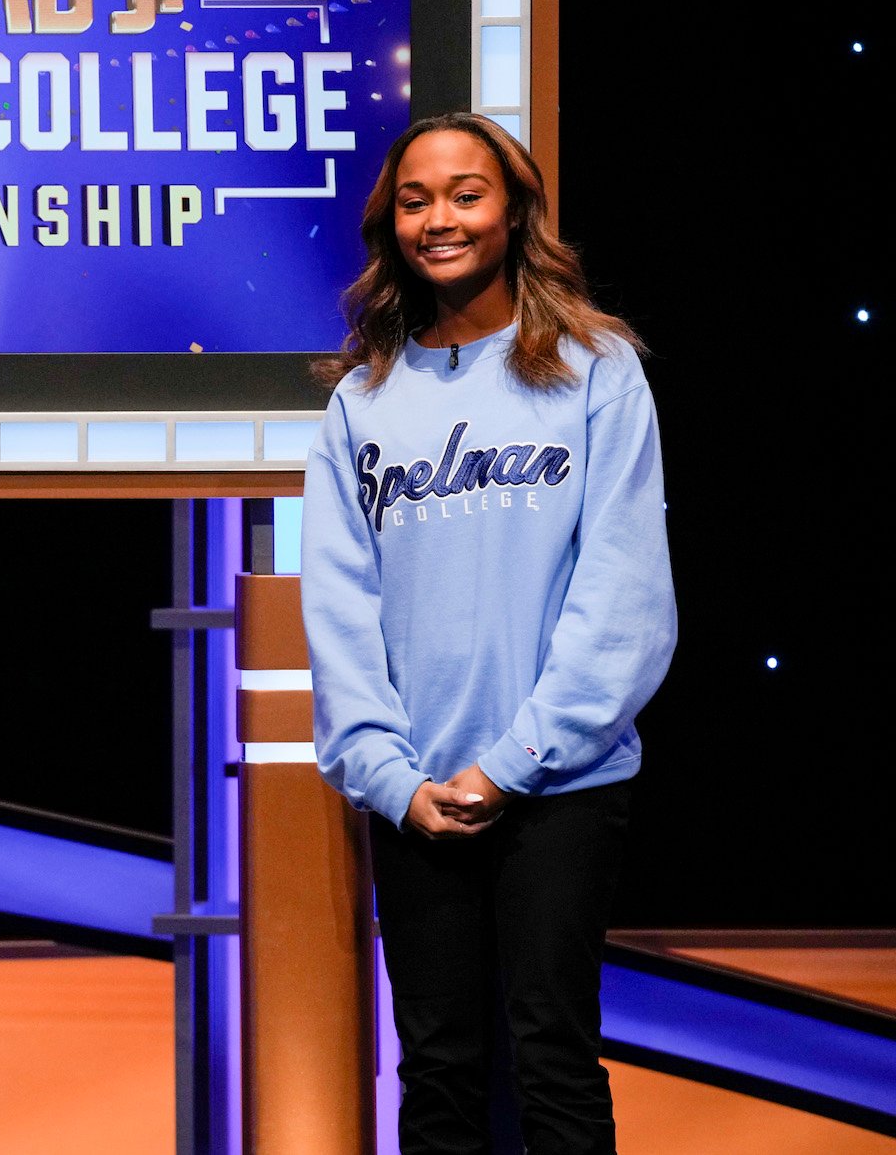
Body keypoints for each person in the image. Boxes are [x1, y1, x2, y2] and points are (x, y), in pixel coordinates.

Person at [300, 114, 676, 1154]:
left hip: (559, 783)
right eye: (414, 199)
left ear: (511, 212)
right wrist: (390, 777)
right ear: (389, 223)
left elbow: (625, 594)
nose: (439, 218)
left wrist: (512, 764)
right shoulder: (360, 404)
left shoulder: (595, 370)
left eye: (464, 193)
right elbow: (337, 612)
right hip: (416, 794)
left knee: (551, 1055)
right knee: (436, 1071)